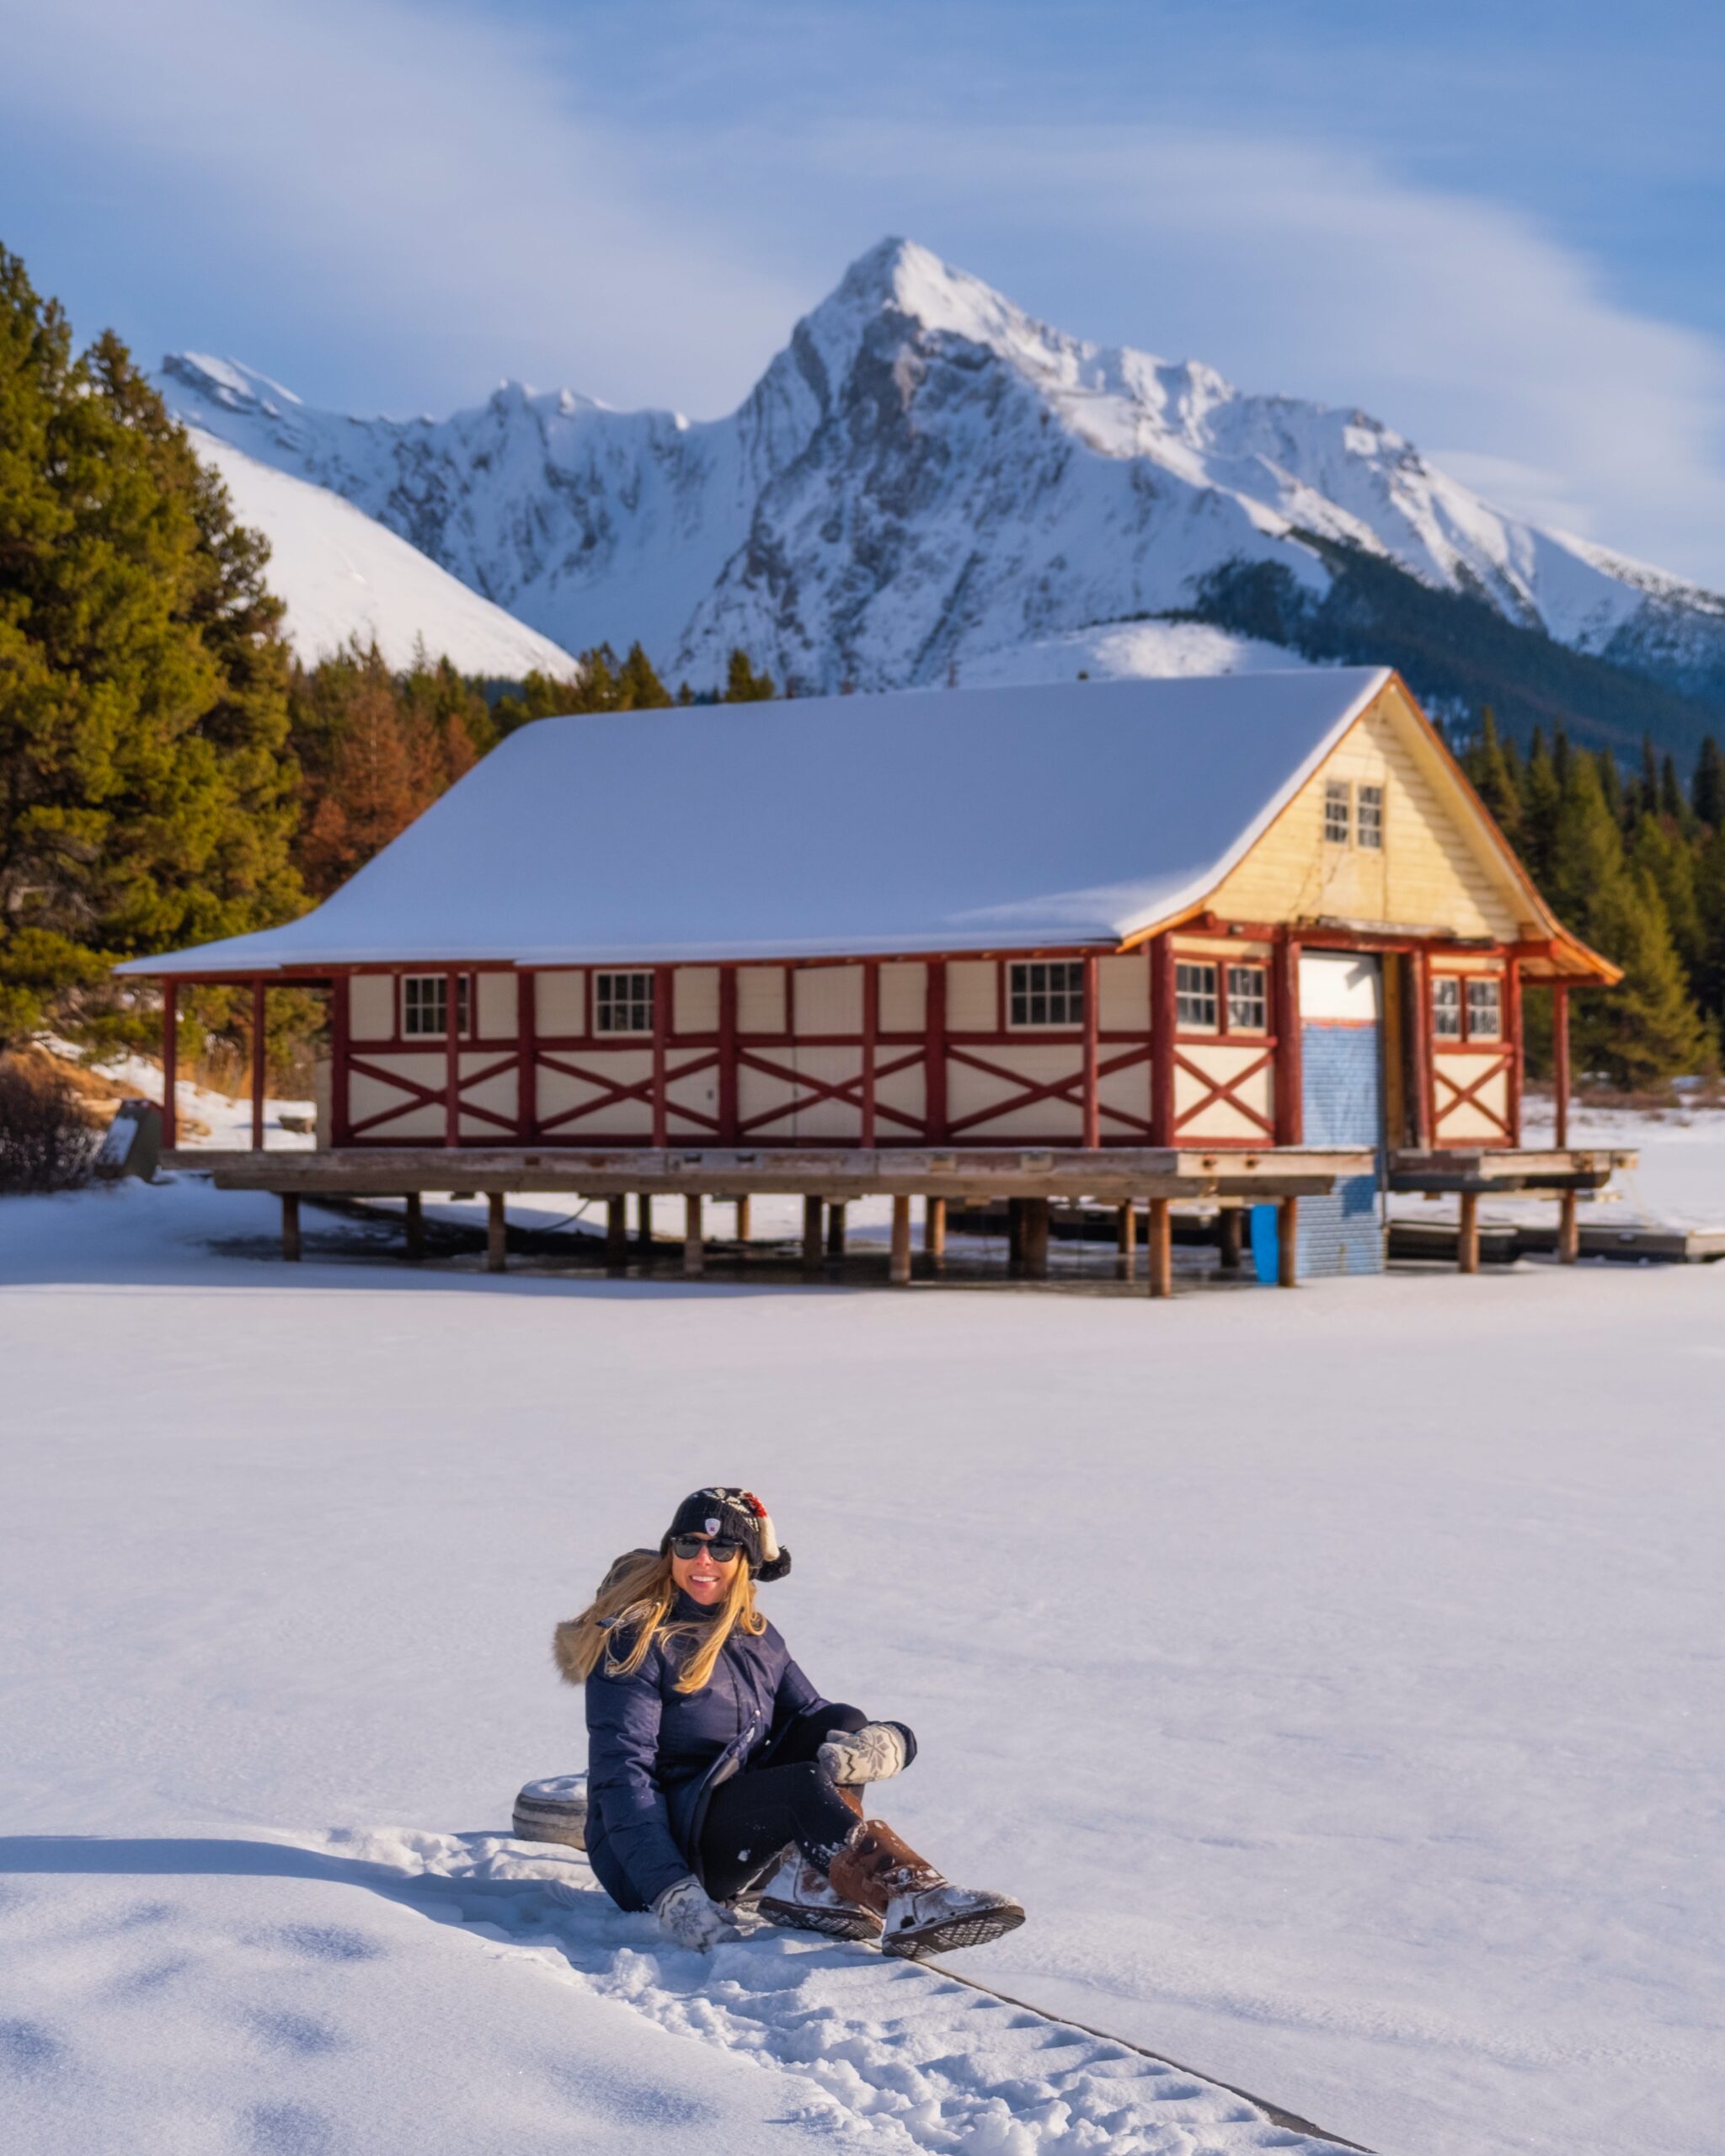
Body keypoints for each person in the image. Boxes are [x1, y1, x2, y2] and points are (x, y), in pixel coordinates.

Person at [555, 1485, 1024, 1959]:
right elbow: (622, 1777)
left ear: (747, 1560)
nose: (702, 1559)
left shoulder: (756, 1635)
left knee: (843, 1725)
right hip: (655, 1867)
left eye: (721, 1547)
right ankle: (908, 1895)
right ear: (669, 1551)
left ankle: (811, 1885)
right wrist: (671, 1891)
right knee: (798, 1785)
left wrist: (891, 1739)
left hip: (719, 1828)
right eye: (687, 1544)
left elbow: (812, 1716)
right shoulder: (636, 1643)